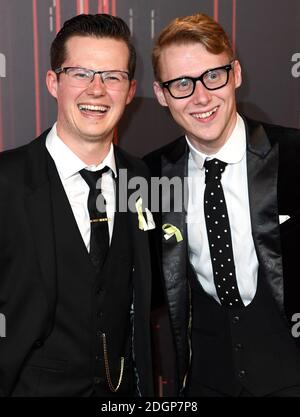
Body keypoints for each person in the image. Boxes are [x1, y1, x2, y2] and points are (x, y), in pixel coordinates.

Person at [144, 13, 300, 397]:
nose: (201, 97)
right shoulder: (153, 176)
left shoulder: (294, 155)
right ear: (161, 94)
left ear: (236, 74)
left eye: (213, 75)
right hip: (205, 382)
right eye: (181, 83)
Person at [0, 13, 153, 397]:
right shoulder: (5, 180)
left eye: (112, 76)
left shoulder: (143, 178)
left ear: (130, 90)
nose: (97, 90)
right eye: (81, 73)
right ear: (54, 82)